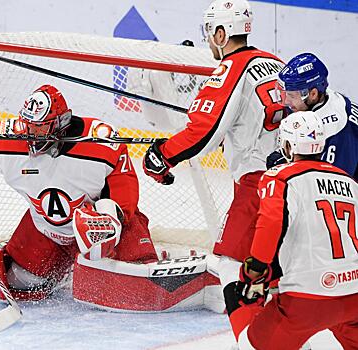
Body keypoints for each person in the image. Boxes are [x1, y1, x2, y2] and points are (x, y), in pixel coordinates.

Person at [0, 84, 220, 311]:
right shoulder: (10, 139)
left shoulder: (100, 142)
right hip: (46, 229)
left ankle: (145, 257)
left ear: (62, 122)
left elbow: (124, 181)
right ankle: (70, 265)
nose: (32, 136)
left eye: (41, 128)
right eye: (29, 126)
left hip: (102, 227)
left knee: (136, 286)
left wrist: (112, 215)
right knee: (22, 284)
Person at [142, 0, 286, 339]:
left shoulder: (230, 68)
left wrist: (162, 154)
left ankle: (251, 341)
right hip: (294, 179)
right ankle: (289, 341)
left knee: (231, 263)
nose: (209, 41)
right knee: (274, 271)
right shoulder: (276, 63)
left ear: (222, 33)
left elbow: (202, 131)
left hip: (258, 185)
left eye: (211, 32)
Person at [236, 110, 358, 349]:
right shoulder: (350, 182)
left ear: (289, 145)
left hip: (305, 300)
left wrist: (255, 271)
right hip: (354, 296)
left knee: (251, 346)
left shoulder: (279, 177)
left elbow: (270, 224)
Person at [269, 52, 358, 179]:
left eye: (292, 96)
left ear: (313, 94)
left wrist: (288, 167)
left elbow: (334, 181)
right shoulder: (320, 99)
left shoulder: (336, 129)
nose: (287, 102)